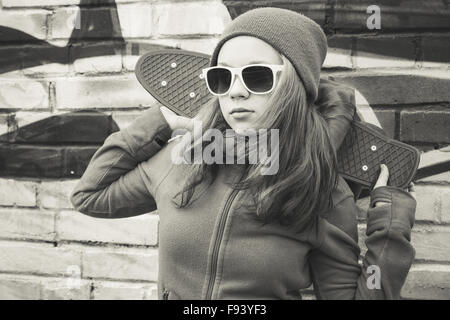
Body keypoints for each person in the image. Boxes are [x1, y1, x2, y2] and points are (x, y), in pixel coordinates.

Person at [70, 7, 416, 300]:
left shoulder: (324, 192)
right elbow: (90, 195)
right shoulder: (182, 160)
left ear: (295, 87)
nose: (235, 92)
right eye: (222, 78)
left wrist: (389, 225)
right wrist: (158, 120)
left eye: (257, 76)